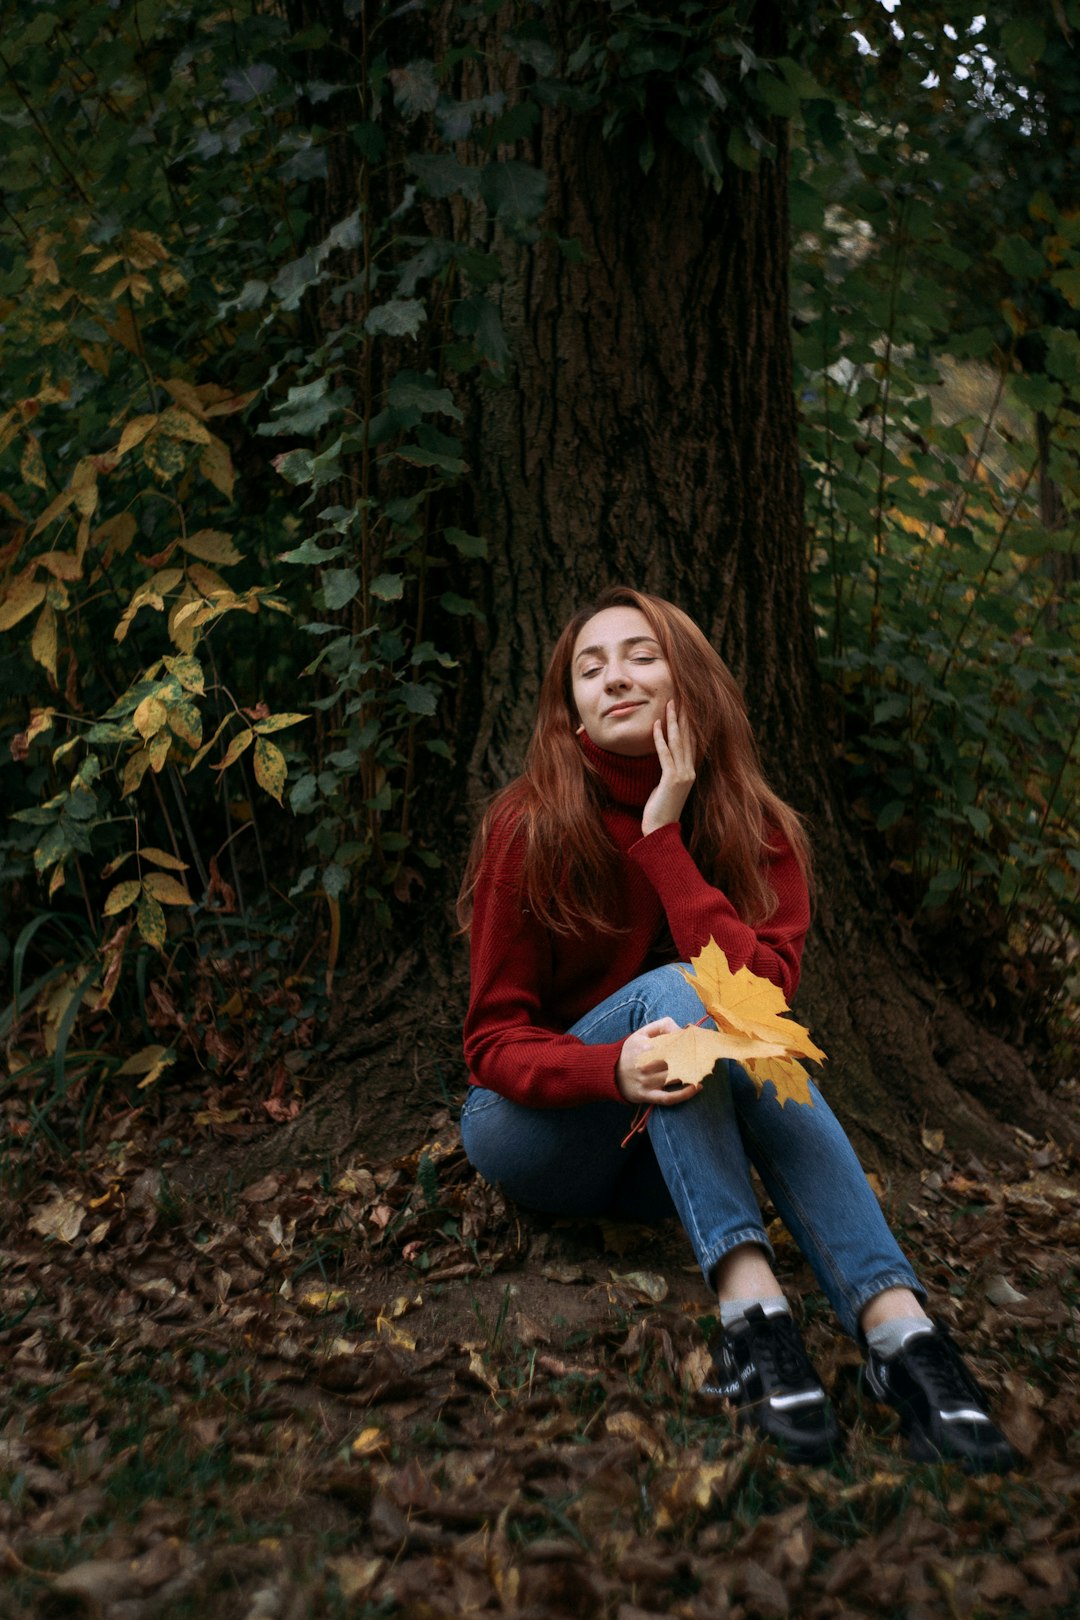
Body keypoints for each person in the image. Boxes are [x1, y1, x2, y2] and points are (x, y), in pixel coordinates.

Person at [457, 586, 1016, 1472]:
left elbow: (767, 1005)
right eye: (588, 669)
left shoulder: (759, 831)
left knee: (737, 1021)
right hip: (540, 1133)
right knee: (684, 990)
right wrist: (609, 1071)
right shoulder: (526, 827)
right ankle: (755, 1315)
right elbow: (490, 1043)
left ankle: (902, 1338)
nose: (614, 679)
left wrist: (663, 842)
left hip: (666, 1162)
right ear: (569, 716)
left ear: (691, 681)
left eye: (640, 655)